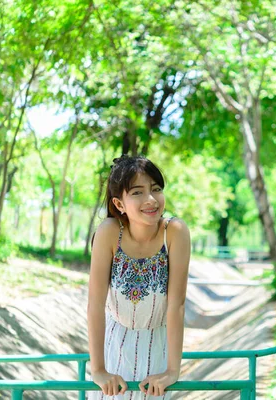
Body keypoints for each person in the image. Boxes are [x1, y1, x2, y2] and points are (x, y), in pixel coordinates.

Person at [87, 155, 190, 399]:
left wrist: (172, 371)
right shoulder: (109, 232)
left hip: (159, 354)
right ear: (119, 203)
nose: (151, 199)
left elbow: (177, 305)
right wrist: (99, 370)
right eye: (137, 192)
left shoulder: (175, 232)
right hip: (113, 352)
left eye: (156, 189)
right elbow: (95, 305)